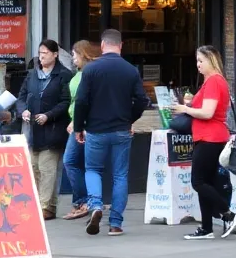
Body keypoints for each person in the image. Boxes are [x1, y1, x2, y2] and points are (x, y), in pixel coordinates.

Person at [73, 29, 149, 237]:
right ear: (121, 45)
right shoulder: (130, 70)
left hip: (96, 130)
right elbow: (142, 100)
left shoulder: (91, 69)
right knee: (120, 175)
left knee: (93, 170)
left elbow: (80, 101)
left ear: (103, 45)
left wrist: (79, 127)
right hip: (121, 130)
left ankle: (96, 205)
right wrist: (129, 119)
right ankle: (115, 223)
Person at [171, 46, 236, 240]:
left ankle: (228, 213)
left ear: (211, 60)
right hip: (209, 136)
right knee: (206, 182)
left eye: (201, 61)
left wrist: (185, 108)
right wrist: (190, 105)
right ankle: (207, 228)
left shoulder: (214, 82)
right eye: (197, 61)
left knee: (198, 181)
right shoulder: (214, 82)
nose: (198, 65)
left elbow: (208, 113)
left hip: (210, 137)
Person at [17, 40, 73, 221]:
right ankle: (47, 206)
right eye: (40, 53)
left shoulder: (64, 75)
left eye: (46, 53)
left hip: (53, 129)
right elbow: (22, 96)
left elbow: (66, 102)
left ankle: (44, 206)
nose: (42, 56)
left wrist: (49, 115)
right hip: (32, 130)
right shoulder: (32, 74)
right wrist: (23, 110)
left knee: (47, 168)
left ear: (55, 54)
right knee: (33, 167)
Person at [62, 40, 99, 220]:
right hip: (76, 122)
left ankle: (82, 201)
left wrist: (78, 122)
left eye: (75, 55)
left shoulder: (90, 74)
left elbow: (86, 101)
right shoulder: (79, 73)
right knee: (82, 164)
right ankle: (89, 200)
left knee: (70, 161)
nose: (73, 58)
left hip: (81, 124)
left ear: (84, 54)